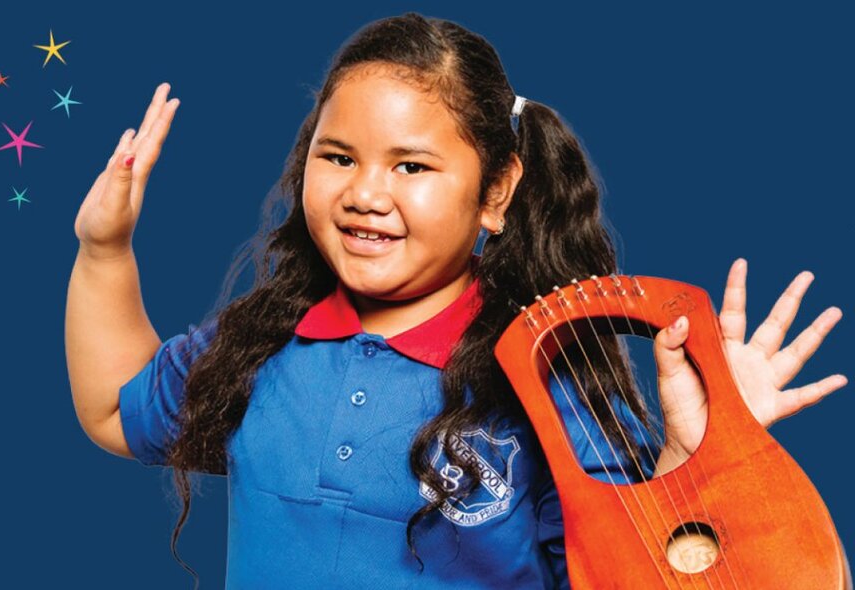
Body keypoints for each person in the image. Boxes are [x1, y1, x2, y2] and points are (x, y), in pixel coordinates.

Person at [66, 12, 846, 589]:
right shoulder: (261, 343)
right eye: (338, 157)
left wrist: (703, 456)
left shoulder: (538, 375)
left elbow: (638, 569)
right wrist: (103, 249)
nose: (366, 192)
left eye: (411, 167)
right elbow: (113, 411)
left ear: (496, 192)